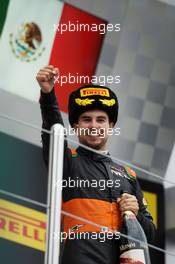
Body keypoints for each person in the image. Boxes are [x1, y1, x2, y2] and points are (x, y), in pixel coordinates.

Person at [36, 65, 156, 264]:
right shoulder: (67, 162)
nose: (94, 126)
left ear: (111, 126)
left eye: (101, 120)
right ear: (75, 126)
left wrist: (135, 214)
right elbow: (53, 133)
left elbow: (150, 235)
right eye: (86, 120)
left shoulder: (129, 175)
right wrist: (48, 95)